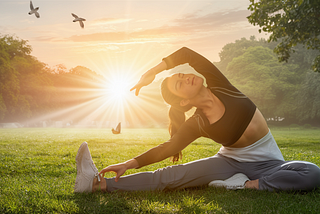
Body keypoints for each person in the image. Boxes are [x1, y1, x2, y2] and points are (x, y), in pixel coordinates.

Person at [74, 47, 320, 193]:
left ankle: (244, 186)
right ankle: (98, 185)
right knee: (170, 176)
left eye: (181, 75)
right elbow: (168, 148)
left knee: (312, 173)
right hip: (228, 162)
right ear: (183, 102)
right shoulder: (197, 123)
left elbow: (186, 53)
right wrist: (130, 163)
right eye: (180, 84)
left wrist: (152, 72)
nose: (187, 77)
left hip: (269, 165)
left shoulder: (220, 85)